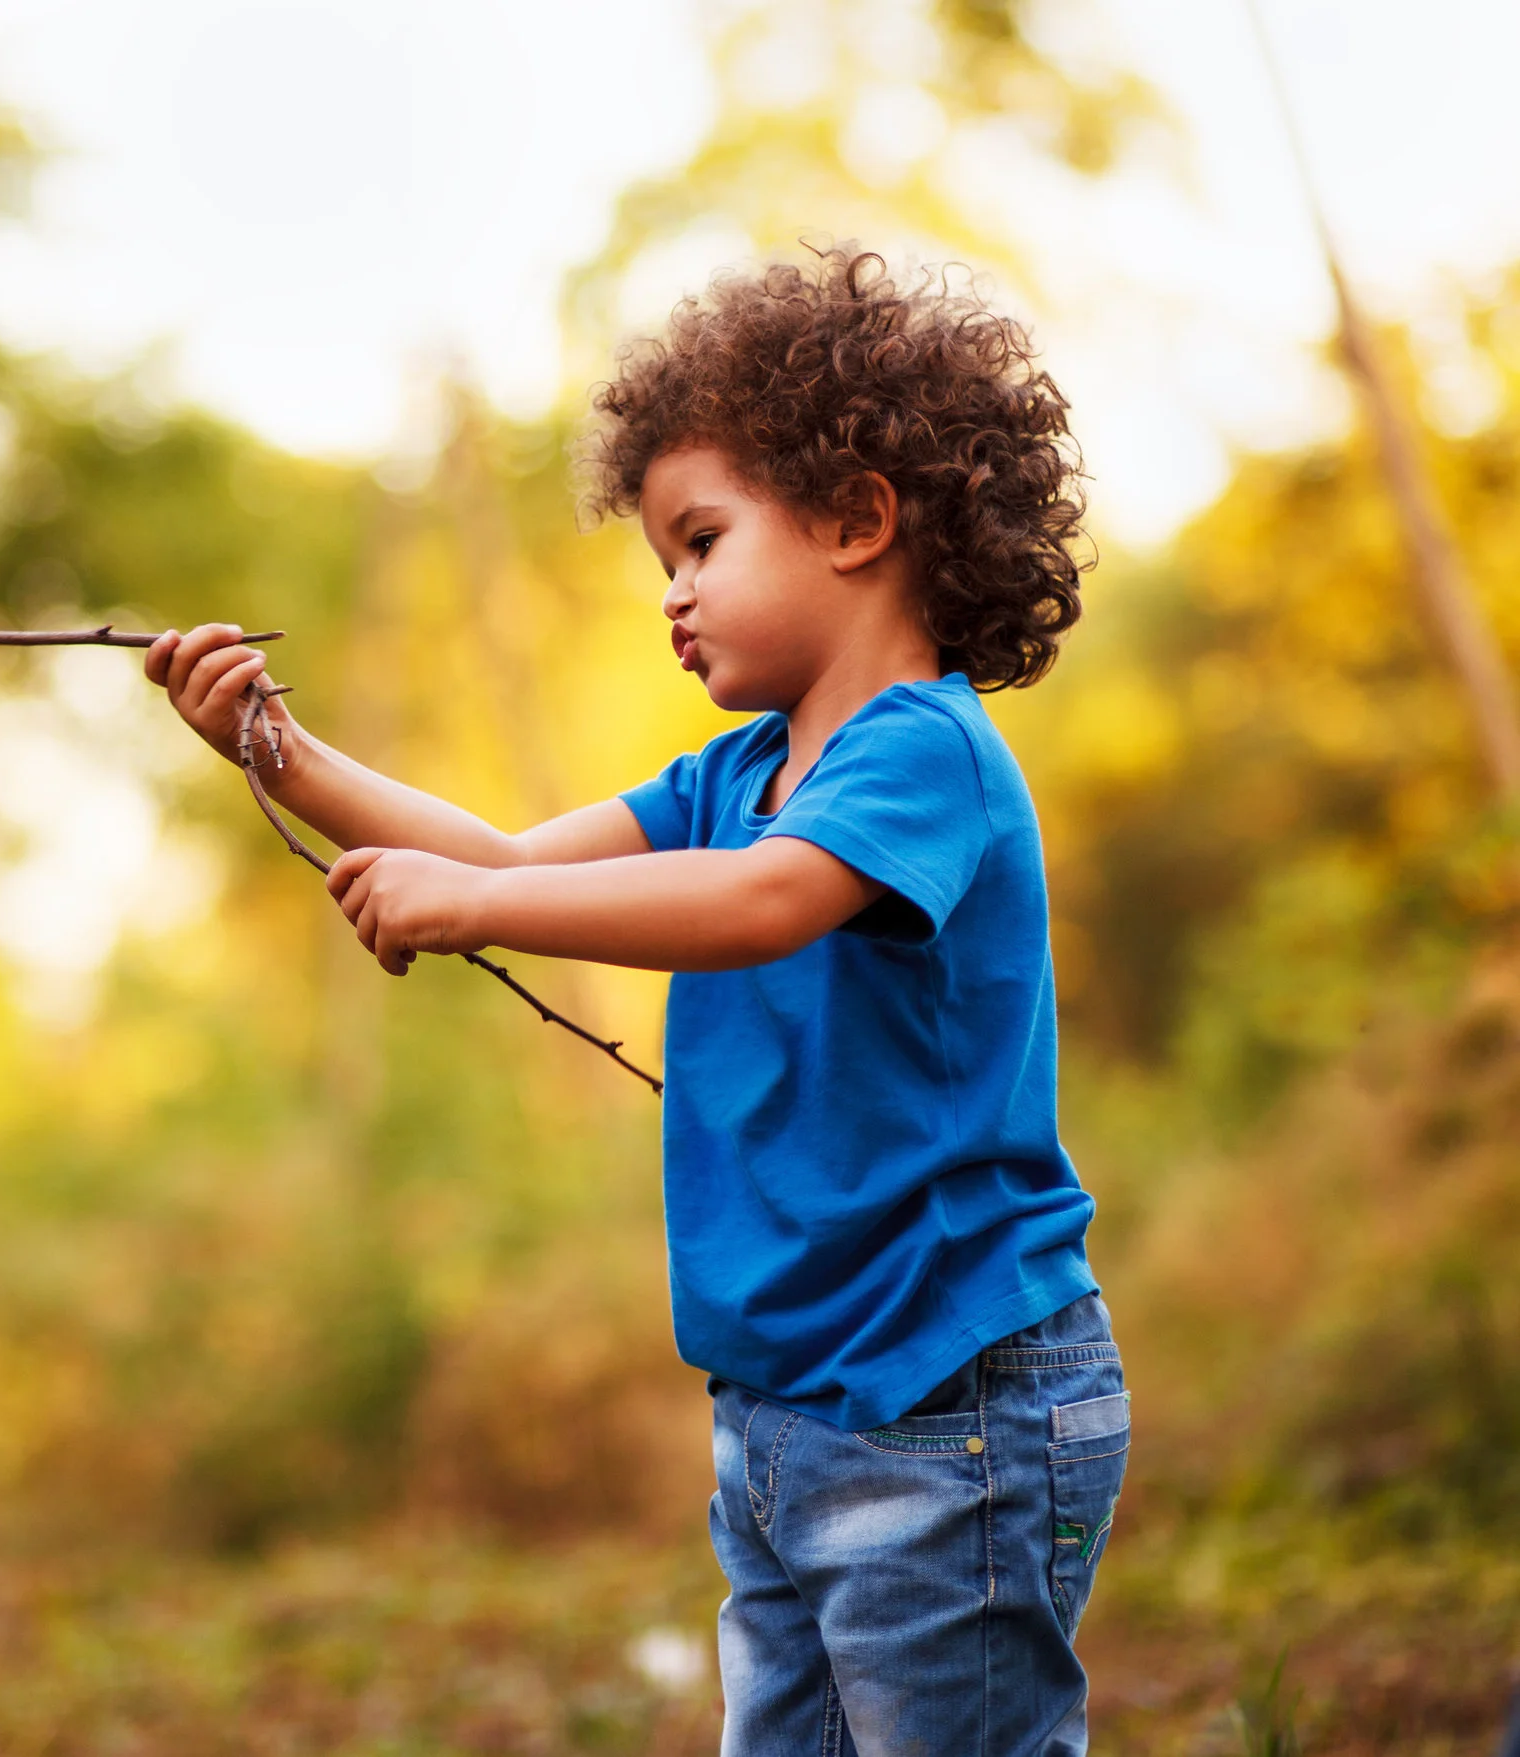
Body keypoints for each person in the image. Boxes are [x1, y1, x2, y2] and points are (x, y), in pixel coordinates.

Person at [146, 247, 1122, 1753]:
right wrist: (275, 748)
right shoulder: (728, 777)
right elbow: (500, 857)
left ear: (858, 518)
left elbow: (756, 903)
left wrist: (474, 906)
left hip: (952, 1403)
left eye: (700, 541)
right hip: (786, 1414)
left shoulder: (924, 752)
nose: (671, 594)